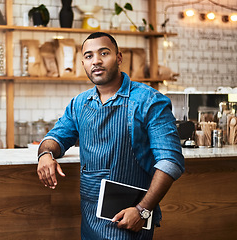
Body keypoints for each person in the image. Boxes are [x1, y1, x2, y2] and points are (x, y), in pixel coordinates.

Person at [36, 32, 185, 240]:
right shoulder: (80, 104)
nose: (96, 61)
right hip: (89, 221)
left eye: (103, 53)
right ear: (83, 63)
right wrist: (45, 155)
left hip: (130, 219)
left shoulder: (149, 101)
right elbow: (56, 138)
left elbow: (170, 161)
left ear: (119, 58)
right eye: (88, 56)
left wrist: (143, 210)